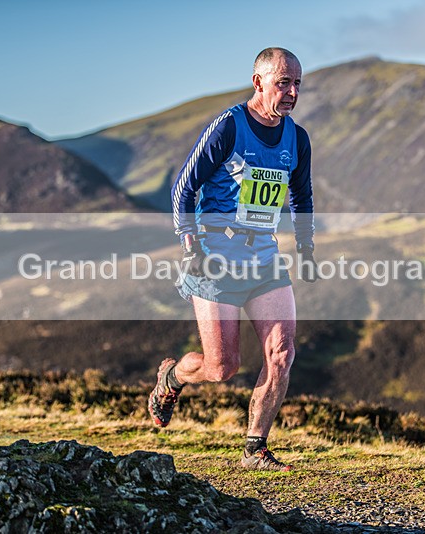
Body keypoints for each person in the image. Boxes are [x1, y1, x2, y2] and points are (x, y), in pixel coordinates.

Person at [147, 47, 316, 471]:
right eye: (284, 82)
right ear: (258, 82)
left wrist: (306, 246)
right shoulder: (228, 127)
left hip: (263, 256)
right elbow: (183, 189)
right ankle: (172, 378)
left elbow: (301, 195)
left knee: (281, 353)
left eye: (297, 83)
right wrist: (191, 248)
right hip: (214, 256)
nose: (293, 91)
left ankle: (254, 449)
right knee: (223, 368)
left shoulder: (297, 138)